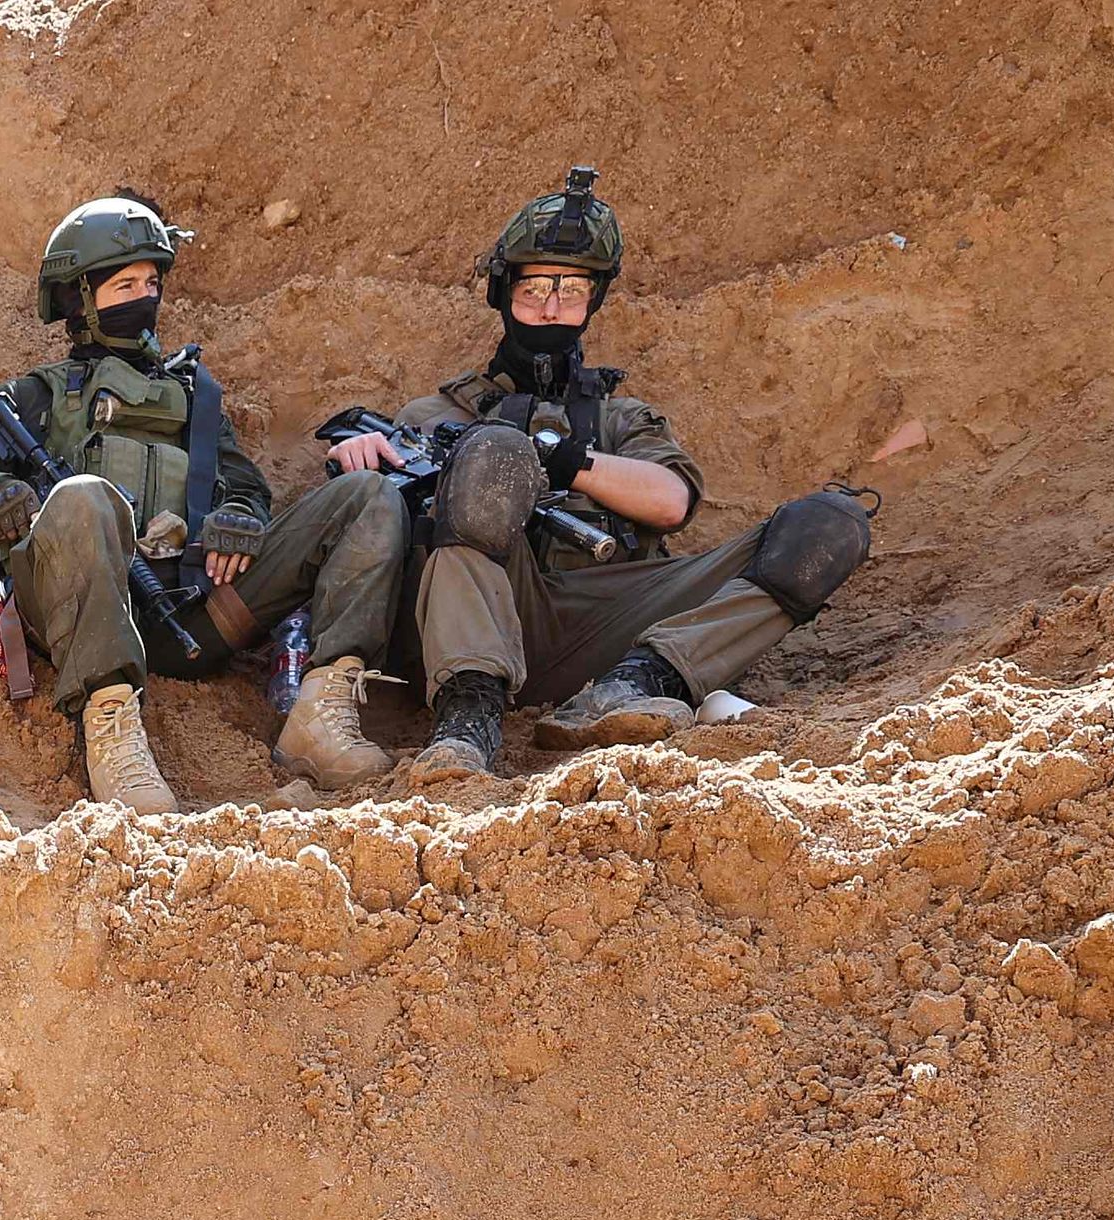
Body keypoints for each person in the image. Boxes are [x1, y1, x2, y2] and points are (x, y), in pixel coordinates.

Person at [346, 168, 875, 783]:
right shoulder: (431, 417)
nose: (551, 307)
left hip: (610, 619)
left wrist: (571, 461)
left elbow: (671, 502)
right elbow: (369, 543)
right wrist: (359, 472)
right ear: (503, 292)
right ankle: (468, 718)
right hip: (475, 617)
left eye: (572, 290)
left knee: (826, 527)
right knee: (490, 455)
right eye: (536, 288)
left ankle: (641, 682)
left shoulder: (621, 419)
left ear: (593, 301)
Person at [0, 193, 413, 814]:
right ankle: (112, 729)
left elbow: (246, 488)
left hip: (196, 617)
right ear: (80, 299)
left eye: (152, 282)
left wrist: (240, 518)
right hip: (77, 621)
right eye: (124, 283)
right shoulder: (35, 399)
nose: (144, 298)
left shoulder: (195, 396)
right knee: (83, 497)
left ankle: (321, 710)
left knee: (368, 494)